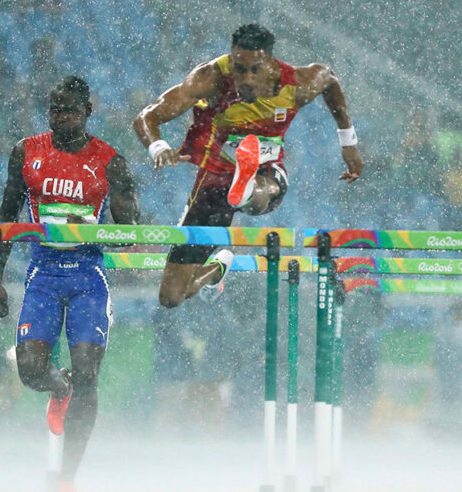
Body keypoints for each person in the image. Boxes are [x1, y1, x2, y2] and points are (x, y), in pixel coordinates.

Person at [133, 23, 364, 307]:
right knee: (171, 297)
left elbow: (329, 80)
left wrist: (348, 142)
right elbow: (146, 116)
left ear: (270, 62)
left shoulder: (297, 83)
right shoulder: (210, 78)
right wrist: (159, 147)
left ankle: (245, 186)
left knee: (260, 194)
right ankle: (218, 267)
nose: (246, 78)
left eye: (255, 69)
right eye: (239, 69)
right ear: (230, 60)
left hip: (266, 171)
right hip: (215, 181)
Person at [0, 77, 139, 492]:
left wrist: (87, 227)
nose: (62, 118)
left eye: (70, 111)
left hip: (87, 277)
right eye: (55, 110)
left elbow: (129, 232)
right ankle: (60, 388)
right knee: (30, 371)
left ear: (88, 112)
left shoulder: (111, 162)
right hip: (42, 274)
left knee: (89, 373)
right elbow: (6, 215)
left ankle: (67, 478)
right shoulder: (27, 152)